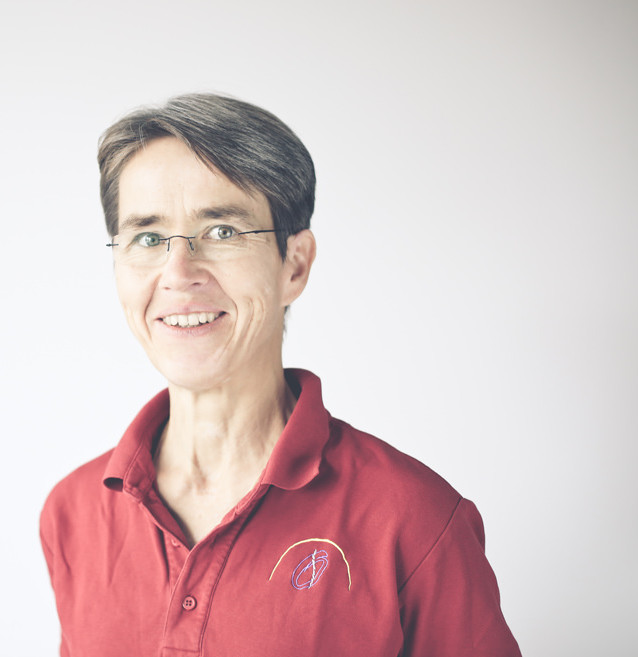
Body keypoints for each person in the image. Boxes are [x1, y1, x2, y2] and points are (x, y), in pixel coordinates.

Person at [40, 93, 521, 657]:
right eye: (148, 238)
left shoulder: (413, 519)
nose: (178, 273)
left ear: (294, 265)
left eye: (221, 231)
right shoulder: (71, 514)